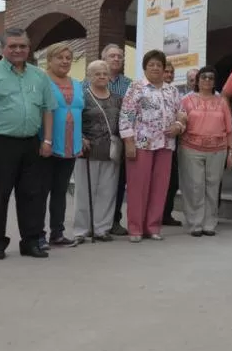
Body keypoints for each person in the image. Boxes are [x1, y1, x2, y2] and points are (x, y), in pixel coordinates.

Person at [0, 28, 56, 260]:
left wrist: (47, 140)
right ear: (3, 48)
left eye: (23, 46)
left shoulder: (39, 76)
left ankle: (31, 242)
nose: (18, 50)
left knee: (32, 195)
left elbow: (48, 109)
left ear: (29, 49)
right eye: (13, 46)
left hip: (31, 143)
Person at [119, 49, 185, 242]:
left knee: (160, 187)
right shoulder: (136, 87)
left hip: (165, 144)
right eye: (151, 65)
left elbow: (181, 113)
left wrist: (178, 126)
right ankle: (136, 229)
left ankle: (153, 227)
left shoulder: (172, 90)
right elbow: (126, 115)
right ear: (145, 67)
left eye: (159, 64)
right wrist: (128, 142)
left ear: (164, 68)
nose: (155, 68)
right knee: (138, 187)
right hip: (141, 143)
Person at [39, 43, 84, 248]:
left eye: (68, 58)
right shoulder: (42, 81)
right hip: (46, 145)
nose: (65, 61)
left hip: (70, 147)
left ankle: (57, 233)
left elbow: (80, 113)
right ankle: (38, 234)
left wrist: (81, 138)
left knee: (60, 192)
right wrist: (43, 141)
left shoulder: (77, 84)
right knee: (41, 192)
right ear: (49, 60)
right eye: (60, 57)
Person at [179, 66, 232, 237]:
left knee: (212, 187)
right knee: (195, 187)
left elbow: (229, 128)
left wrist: (231, 152)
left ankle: (209, 224)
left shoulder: (221, 101)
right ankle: (195, 223)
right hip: (191, 148)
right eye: (204, 77)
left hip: (218, 149)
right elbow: (180, 122)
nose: (207, 81)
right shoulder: (186, 100)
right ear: (198, 80)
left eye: (211, 78)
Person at [72, 60, 122, 243]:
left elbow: (122, 122)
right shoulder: (82, 97)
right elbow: (74, 119)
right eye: (97, 74)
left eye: (104, 73)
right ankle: (82, 229)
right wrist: (79, 137)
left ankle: (102, 228)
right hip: (88, 150)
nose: (101, 76)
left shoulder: (117, 98)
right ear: (89, 76)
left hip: (111, 151)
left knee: (107, 191)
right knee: (84, 191)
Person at [101, 44, 132, 236]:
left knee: (118, 182)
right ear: (103, 58)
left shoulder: (129, 84)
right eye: (112, 56)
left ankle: (114, 221)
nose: (116, 59)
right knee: (99, 182)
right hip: (97, 138)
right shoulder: (89, 82)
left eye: (119, 57)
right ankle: (95, 221)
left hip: (120, 139)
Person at [161, 65, 198, 227]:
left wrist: (179, 123)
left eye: (171, 72)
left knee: (173, 181)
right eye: (166, 72)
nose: (169, 75)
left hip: (175, 142)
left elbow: (182, 116)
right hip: (152, 142)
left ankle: (165, 214)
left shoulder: (176, 93)